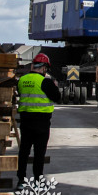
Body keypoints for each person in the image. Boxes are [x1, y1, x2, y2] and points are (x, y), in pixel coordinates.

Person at [16, 53, 61, 185]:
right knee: (39, 154)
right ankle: (37, 180)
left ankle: (21, 181)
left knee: (24, 152)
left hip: (25, 121)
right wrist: (55, 86)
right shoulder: (45, 82)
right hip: (42, 123)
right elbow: (57, 98)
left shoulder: (22, 80)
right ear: (44, 68)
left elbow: (21, 94)